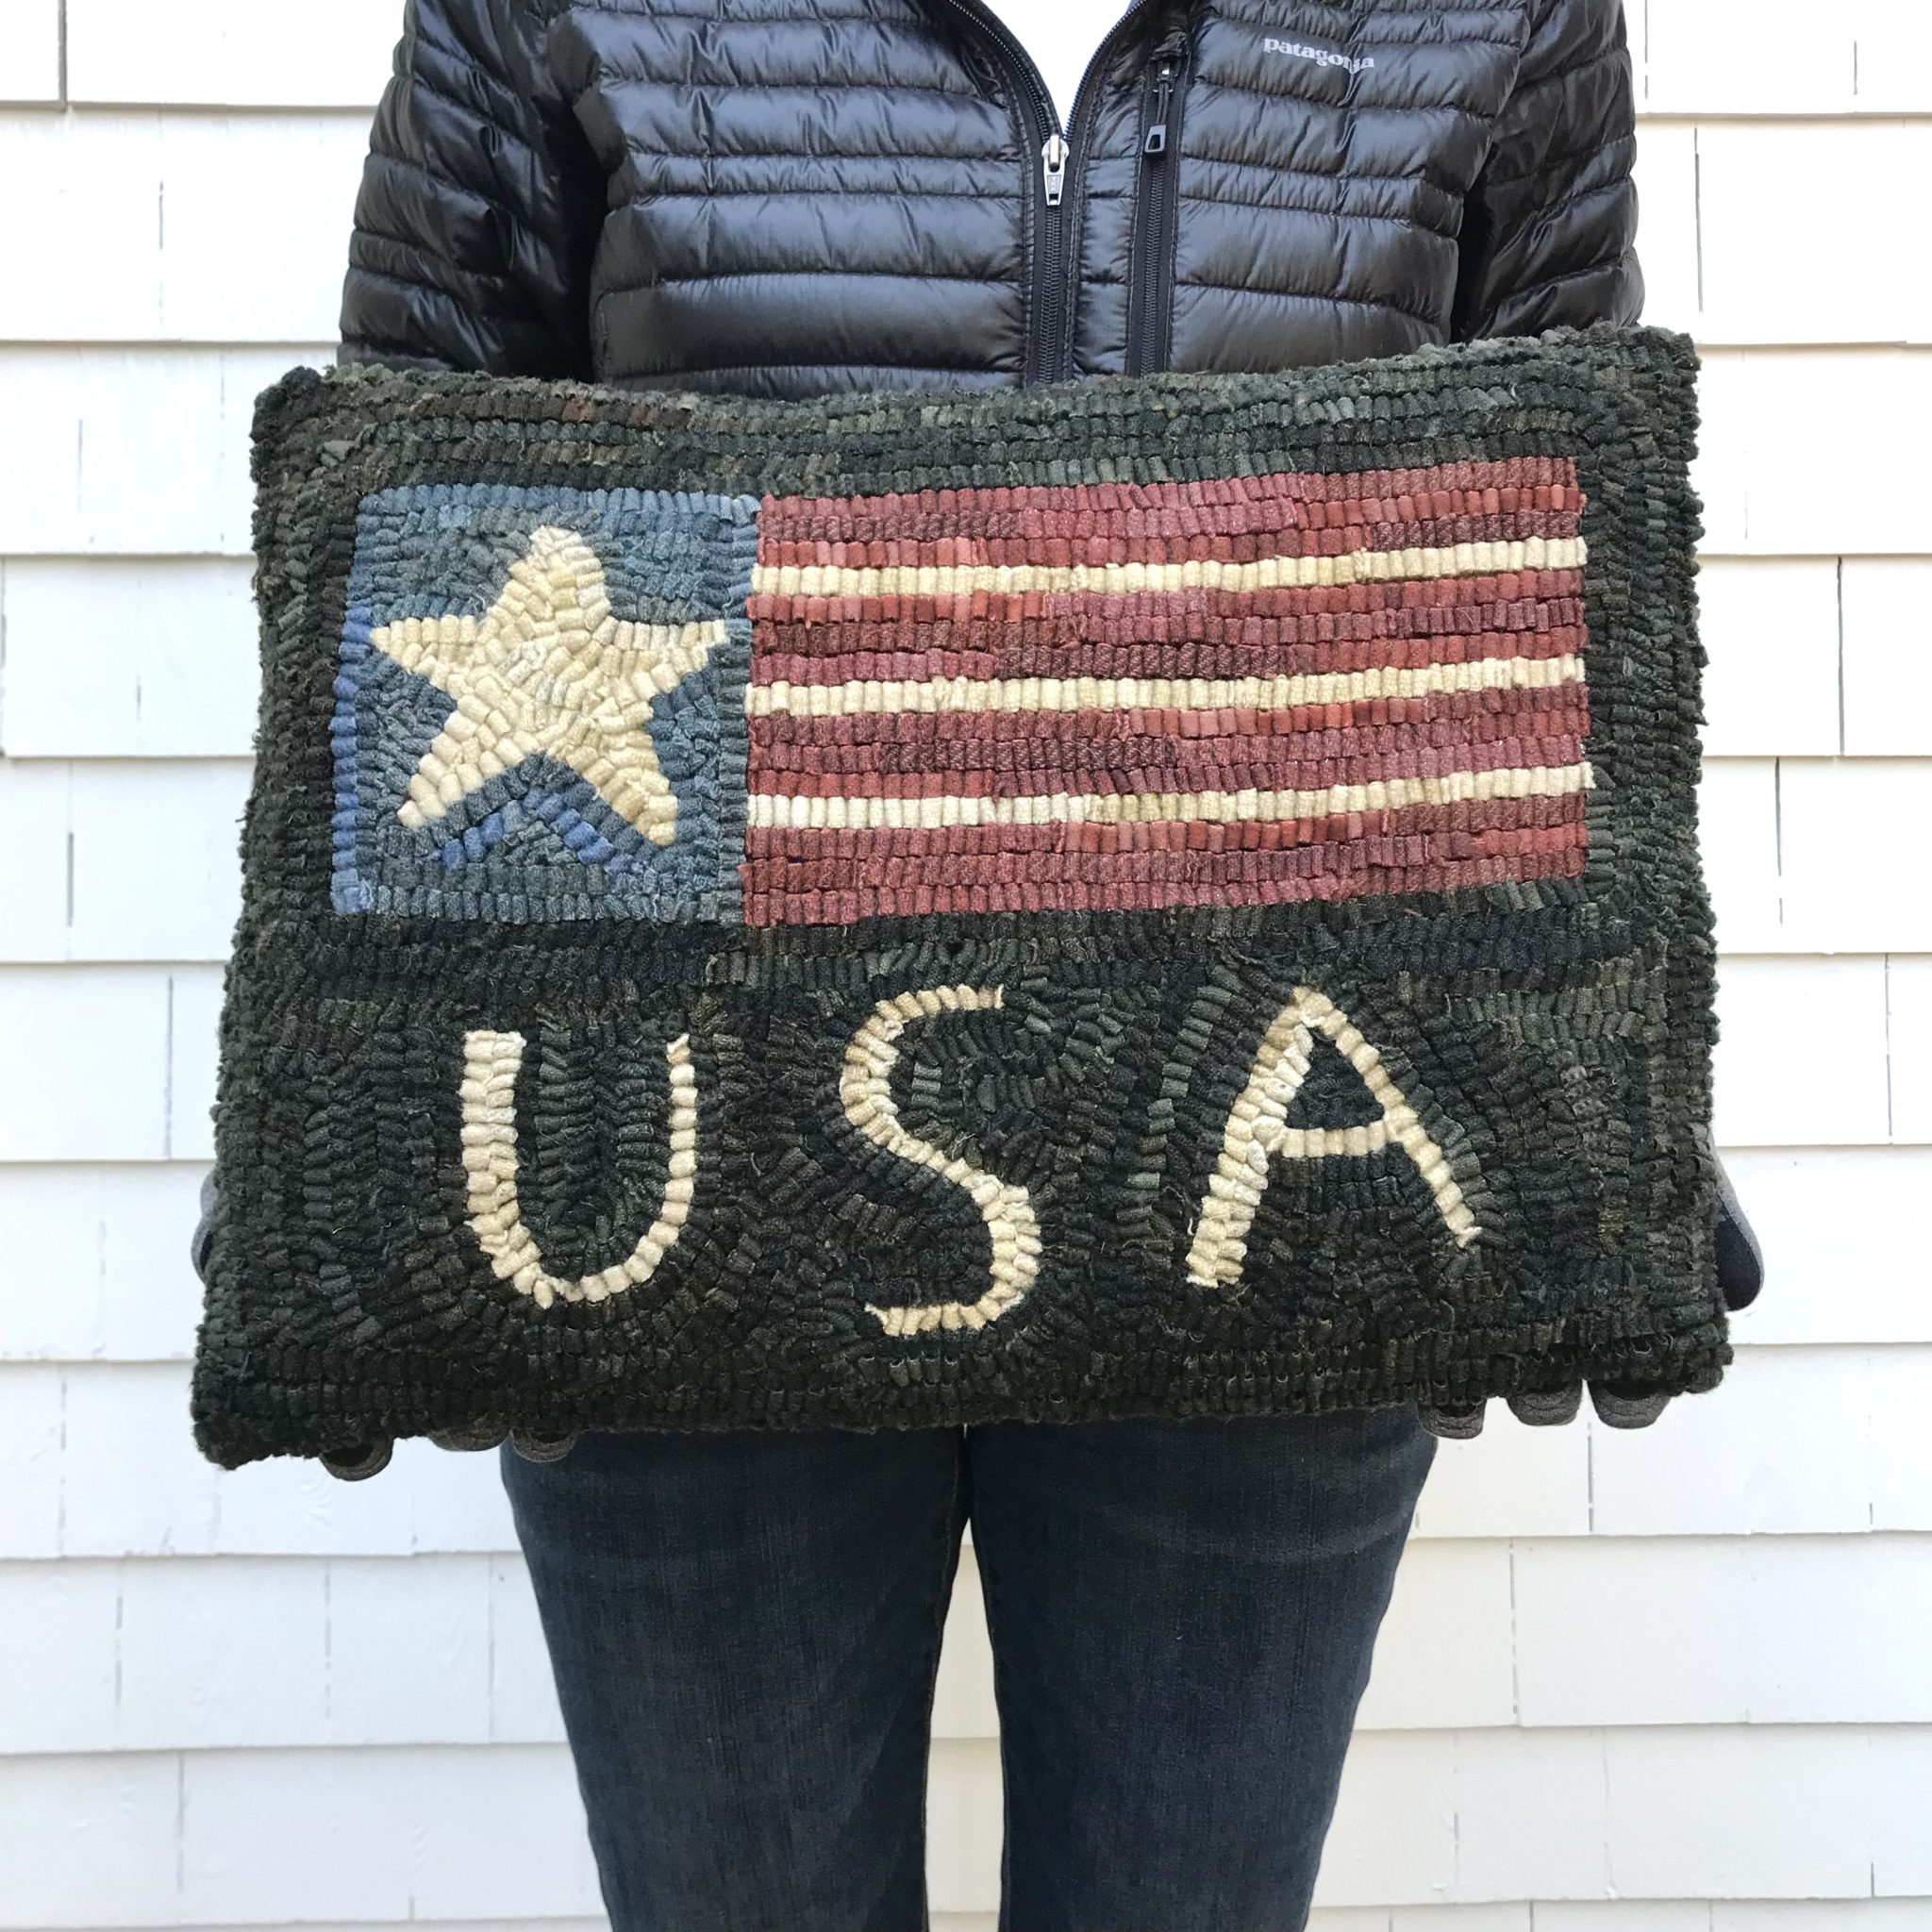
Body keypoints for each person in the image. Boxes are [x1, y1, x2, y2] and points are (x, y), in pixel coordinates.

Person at [207, 3, 1755, 1926]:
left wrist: (1589, 1108)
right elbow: (415, 514)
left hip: (1275, 1179)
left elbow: (1549, 548)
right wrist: (353, 1124)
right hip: (670, 1188)